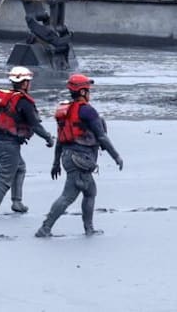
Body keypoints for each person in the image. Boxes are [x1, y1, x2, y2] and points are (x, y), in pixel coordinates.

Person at [35, 73, 123, 238]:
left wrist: (55, 163)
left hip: (67, 157)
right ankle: (45, 228)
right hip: (81, 160)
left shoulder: (65, 111)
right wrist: (116, 156)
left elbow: (61, 140)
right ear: (82, 92)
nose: (89, 93)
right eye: (88, 90)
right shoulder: (87, 111)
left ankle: (88, 229)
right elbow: (102, 136)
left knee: (90, 192)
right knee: (68, 197)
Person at [0, 66, 54, 216]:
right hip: (8, 143)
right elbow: (35, 125)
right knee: (5, 179)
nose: (30, 84)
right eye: (29, 81)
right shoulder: (24, 102)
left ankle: (17, 202)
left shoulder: (5, 98)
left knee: (20, 168)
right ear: (24, 83)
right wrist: (48, 137)